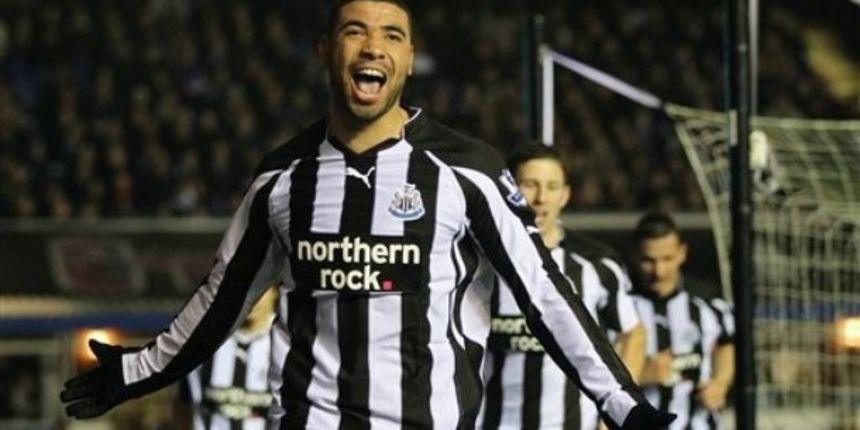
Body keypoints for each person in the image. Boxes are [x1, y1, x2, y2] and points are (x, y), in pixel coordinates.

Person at [59, 1, 674, 429]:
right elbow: (222, 298)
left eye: (392, 35)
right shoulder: (283, 177)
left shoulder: (468, 169)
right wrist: (136, 371)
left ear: (408, 61)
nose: (373, 45)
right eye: (355, 30)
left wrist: (622, 405)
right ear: (327, 50)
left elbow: (545, 293)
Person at [480, 143, 646, 430]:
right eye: (529, 184)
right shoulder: (478, 262)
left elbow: (633, 334)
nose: (541, 198)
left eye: (552, 186)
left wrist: (614, 416)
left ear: (565, 195)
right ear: (508, 189)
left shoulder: (596, 264)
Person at [630, 211, 735, 429]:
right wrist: (639, 374)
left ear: (682, 253)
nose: (659, 271)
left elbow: (726, 343)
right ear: (635, 256)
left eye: (667, 259)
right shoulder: (618, 306)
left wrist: (720, 383)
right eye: (649, 261)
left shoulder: (708, 301)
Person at [175, 287, 279, 430]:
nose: (253, 297)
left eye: (261, 289)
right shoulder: (203, 342)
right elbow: (183, 404)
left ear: (275, 292)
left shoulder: (289, 345)